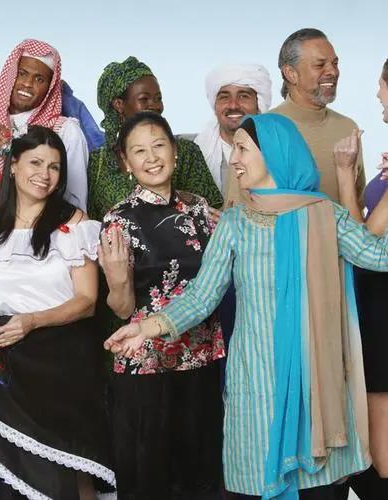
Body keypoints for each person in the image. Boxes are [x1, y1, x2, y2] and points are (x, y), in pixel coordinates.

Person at [105, 113, 388, 499]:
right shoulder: (234, 223)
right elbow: (202, 295)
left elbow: (378, 255)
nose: (234, 159)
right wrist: (146, 327)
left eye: (242, 149)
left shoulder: (325, 215)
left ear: (273, 152)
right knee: (254, 482)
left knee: (317, 488)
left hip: (314, 382)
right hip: (254, 383)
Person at [0, 125, 113, 499]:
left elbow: (87, 301)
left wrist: (31, 321)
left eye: (54, 166)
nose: (45, 174)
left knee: (68, 468)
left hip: (62, 357)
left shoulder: (74, 223)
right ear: (13, 165)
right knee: (6, 468)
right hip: (6, 354)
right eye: (35, 163)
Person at [99, 112, 225, 499]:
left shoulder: (201, 210)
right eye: (139, 151)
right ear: (126, 162)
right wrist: (117, 279)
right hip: (146, 367)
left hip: (202, 360)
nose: (152, 158)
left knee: (202, 478)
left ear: (175, 150)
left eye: (159, 146)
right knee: (148, 481)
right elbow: (122, 310)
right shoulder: (119, 220)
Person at [332, 59, 388, 500]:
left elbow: (363, 239)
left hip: (382, 298)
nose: (377, 96)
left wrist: (342, 175)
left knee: (380, 436)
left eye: (382, 86)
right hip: (373, 294)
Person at [0, 38, 88, 211]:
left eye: (39, 79)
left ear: (50, 88)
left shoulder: (66, 131)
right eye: (22, 74)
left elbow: (74, 204)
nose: (27, 84)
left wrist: (10, 156)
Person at [87, 56, 223, 224]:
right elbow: (93, 222)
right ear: (119, 104)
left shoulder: (186, 152)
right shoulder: (98, 163)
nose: (156, 106)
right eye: (144, 99)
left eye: (158, 98)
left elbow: (210, 217)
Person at [271, 28, 366, 209]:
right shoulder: (262, 129)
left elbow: (358, 208)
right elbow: (238, 211)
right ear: (291, 73)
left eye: (335, 63)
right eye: (320, 65)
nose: (333, 71)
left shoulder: (347, 128)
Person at [194, 63, 272, 206]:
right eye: (224, 97)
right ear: (215, 105)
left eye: (243, 96)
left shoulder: (277, 150)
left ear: (259, 103)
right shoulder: (195, 151)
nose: (233, 105)